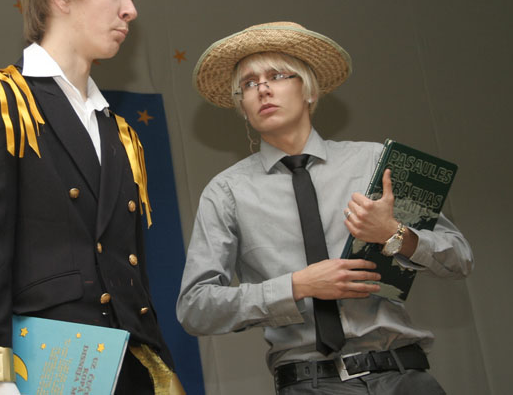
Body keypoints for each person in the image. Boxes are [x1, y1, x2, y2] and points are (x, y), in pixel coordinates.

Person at [0, 0, 181, 395]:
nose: (131, 10)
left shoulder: (122, 133)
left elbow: (130, 274)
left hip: (132, 370)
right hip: (47, 371)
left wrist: (162, 372)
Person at [176, 22, 472, 394]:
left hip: (403, 375)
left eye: (277, 76)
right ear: (243, 108)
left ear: (309, 91)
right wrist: (296, 286)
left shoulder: (375, 162)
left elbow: (459, 258)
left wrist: (394, 234)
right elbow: (195, 308)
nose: (262, 89)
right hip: (309, 383)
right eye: (248, 84)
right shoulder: (226, 193)